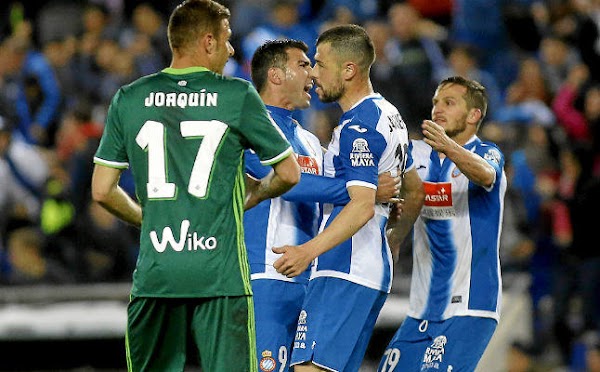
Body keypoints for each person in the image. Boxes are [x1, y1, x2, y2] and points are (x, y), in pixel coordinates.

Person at [90, 1, 301, 371]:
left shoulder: (130, 97)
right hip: (220, 275)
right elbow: (288, 173)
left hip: (157, 273)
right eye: (227, 39)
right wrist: (253, 195)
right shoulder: (237, 95)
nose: (232, 49)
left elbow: (102, 190)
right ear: (208, 42)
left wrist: (147, 219)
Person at [271, 24, 422, 371]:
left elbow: (362, 205)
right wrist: (393, 239)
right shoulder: (390, 116)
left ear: (349, 69)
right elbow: (415, 189)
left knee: (308, 368)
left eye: (321, 64)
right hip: (369, 270)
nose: (313, 73)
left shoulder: (358, 127)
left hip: (344, 269)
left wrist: (307, 252)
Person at [378, 76, 507, 372]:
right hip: (421, 308)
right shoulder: (416, 154)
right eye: (436, 102)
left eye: (449, 103)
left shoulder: (486, 153)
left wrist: (447, 146)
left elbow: (487, 175)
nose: (437, 109)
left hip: (470, 306)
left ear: (474, 115)